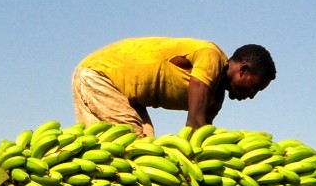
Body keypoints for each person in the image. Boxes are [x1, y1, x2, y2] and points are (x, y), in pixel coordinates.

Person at [72, 38, 275, 137]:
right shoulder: (211, 56)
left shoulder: (215, 98)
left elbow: (199, 136)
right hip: (100, 74)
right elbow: (195, 123)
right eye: (255, 87)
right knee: (132, 141)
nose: (252, 95)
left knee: (147, 146)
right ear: (243, 70)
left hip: (129, 96)